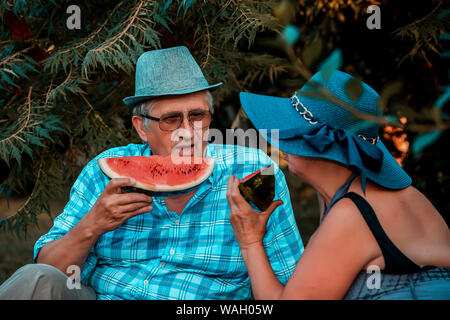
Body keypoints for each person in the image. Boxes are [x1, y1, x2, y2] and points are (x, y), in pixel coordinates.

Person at [0, 46, 303, 300]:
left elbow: (291, 285)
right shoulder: (104, 172)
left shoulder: (253, 173)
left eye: (197, 115)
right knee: (35, 279)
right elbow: (52, 270)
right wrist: (92, 226)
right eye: (171, 119)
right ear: (140, 127)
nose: (188, 131)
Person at [227, 70, 450, 299]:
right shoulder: (405, 196)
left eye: (292, 131)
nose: (280, 140)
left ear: (323, 145)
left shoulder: (351, 215)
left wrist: (250, 241)